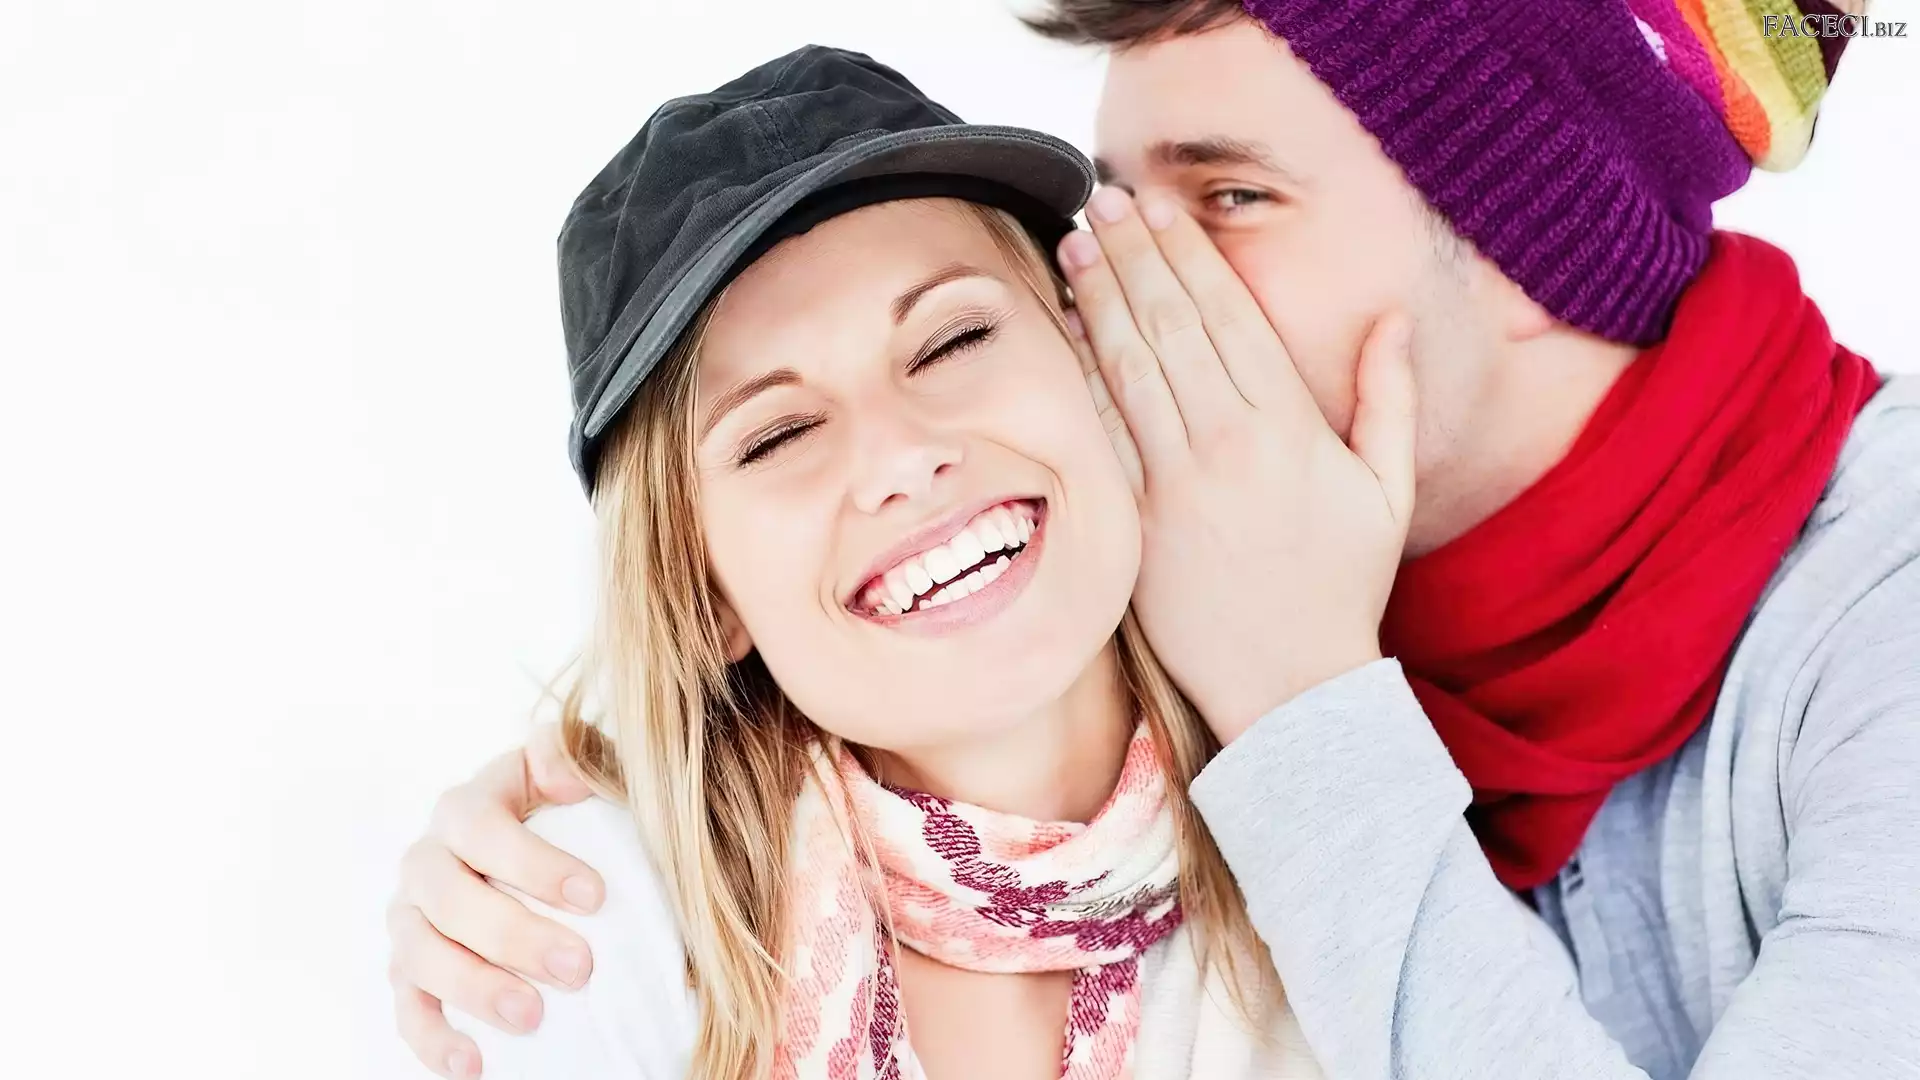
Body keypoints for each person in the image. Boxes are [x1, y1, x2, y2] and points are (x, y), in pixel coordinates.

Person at [392, 3, 1920, 1079]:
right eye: (1114, 211)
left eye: (1232, 197)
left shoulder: (1879, 617)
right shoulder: (1211, 583)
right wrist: (582, 816)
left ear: (1526, 242)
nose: (1119, 287)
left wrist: (1304, 704)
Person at [418, 43, 1368, 1080]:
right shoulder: (574, 936)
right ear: (703, 593)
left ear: (1095, 367)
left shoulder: (1366, 820)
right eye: (779, 435)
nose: (903, 457)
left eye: (951, 341)